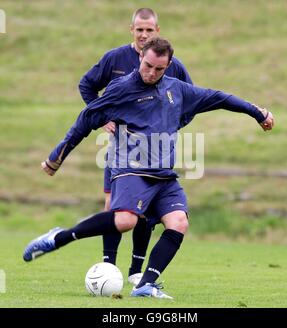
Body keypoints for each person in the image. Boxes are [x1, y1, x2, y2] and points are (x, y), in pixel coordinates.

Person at [23, 37, 274, 299]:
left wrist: (258, 113)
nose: (151, 73)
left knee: (178, 222)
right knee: (125, 220)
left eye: (159, 69)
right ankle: (59, 237)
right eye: (148, 65)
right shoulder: (121, 89)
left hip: (163, 175)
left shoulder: (177, 89)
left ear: (168, 66)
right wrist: (56, 158)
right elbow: (85, 120)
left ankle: (146, 284)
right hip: (131, 169)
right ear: (140, 57)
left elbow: (218, 97)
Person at [79, 8, 192, 285]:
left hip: (154, 153)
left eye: (149, 30)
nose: (144, 34)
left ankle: (136, 271)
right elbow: (87, 85)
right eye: (139, 29)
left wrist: (171, 124)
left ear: (157, 30)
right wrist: (103, 116)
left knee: (146, 210)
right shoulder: (115, 58)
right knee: (115, 207)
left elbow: (191, 100)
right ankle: (108, 266)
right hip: (120, 150)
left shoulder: (171, 64)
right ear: (132, 30)